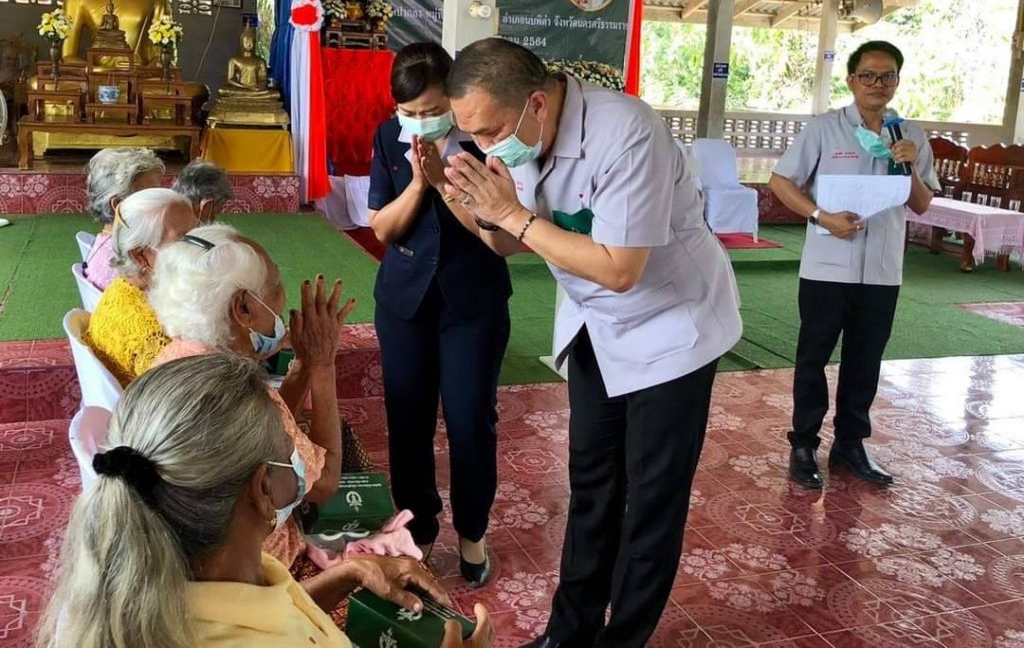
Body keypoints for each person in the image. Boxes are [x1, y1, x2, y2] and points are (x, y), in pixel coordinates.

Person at [443, 38, 742, 648]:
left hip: (670, 327)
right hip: (595, 327)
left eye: (490, 131)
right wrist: (472, 207)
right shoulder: (517, 137)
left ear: (536, 104)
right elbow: (507, 242)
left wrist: (512, 213)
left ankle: (622, 639)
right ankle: (568, 634)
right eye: (470, 134)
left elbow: (619, 268)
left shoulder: (627, 132)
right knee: (592, 486)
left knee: (651, 500)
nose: (485, 146)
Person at [35, 353, 494, 648]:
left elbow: (270, 615)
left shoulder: (146, 580)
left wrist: (350, 572)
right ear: (262, 488)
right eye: (289, 448)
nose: (300, 459)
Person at [368, 42, 512, 587]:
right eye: (410, 112)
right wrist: (416, 183)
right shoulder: (388, 137)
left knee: (471, 420)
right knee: (408, 419)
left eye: (432, 110)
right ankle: (419, 528)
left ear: (453, 99)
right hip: (404, 303)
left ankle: (473, 531)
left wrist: (444, 183)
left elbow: (496, 231)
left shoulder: (486, 141)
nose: (421, 122)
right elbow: (383, 228)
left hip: (472, 303)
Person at [769, 40, 938, 489]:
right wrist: (820, 216)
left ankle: (850, 445)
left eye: (887, 76)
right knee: (813, 358)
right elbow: (781, 181)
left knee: (865, 360)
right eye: (868, 75)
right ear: (851, 80)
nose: (877, 84)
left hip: (882, 270)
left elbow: (922, 204)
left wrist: (910, 166)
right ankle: (803, 443)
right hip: (827, 267)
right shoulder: (825, 129)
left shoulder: (910, 135)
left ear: (897, 81)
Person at [149, 224, 359, 570]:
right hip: (254, 568)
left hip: (184, 554)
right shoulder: (235, 389)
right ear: (243, 308)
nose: (282, 297)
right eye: (275, 286)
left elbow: (269, 432)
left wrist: (304, 365)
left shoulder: (176, 357)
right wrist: (323, 365)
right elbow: (324, 483)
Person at [84, 187, 196, 386]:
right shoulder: (152, 339)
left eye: (198, 233)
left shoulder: (124, 287)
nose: (202, 246)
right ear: (140, 255)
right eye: (184, 239)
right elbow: (188, 393)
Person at [83, 147, 165, 290]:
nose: (162, 202)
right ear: (119, 206)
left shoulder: (108, 241)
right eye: (150, 196)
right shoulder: (130, 265)